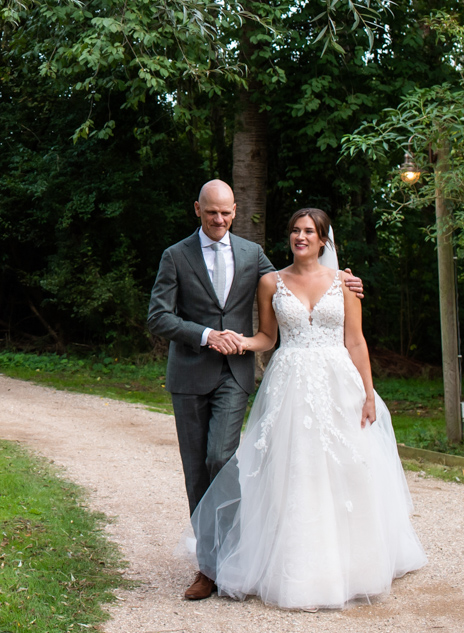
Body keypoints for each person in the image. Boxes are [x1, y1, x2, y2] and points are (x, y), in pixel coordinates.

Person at [187, 208, 426, 609]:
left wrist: (368, 393)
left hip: (338, 383)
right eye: (295, 230)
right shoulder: (271, 282)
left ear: (323, 240)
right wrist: (239, 342)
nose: (301, 237)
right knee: (294, 470)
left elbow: (356, 342)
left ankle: (354, 564)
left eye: (309, 231)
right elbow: (267, 336)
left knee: (346, 469)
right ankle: (293, 565)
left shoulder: (345, 284)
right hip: (290, 383)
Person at [146, 181, 364, 602]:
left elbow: (297, 278)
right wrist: (207, 334)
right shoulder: (175, 256)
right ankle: (208, 567)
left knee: (221, 458)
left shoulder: (251, 253)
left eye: (226, 213)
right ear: (197, 210)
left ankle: (236, 557)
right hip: (189, 376)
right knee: (197, 471)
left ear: (235, 210)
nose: (219, 220)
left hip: (235, 374)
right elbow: (158, 316)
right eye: (212, 213)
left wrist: (346, 281)